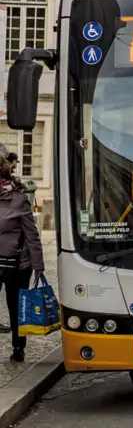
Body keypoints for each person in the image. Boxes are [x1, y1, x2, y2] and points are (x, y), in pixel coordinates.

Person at [0, 147, 45, 362]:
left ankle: (18, 348)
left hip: (16, 264)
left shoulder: (18, 199)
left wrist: (38, 265)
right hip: (7, 261)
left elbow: (31, 234)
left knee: (16, 308)